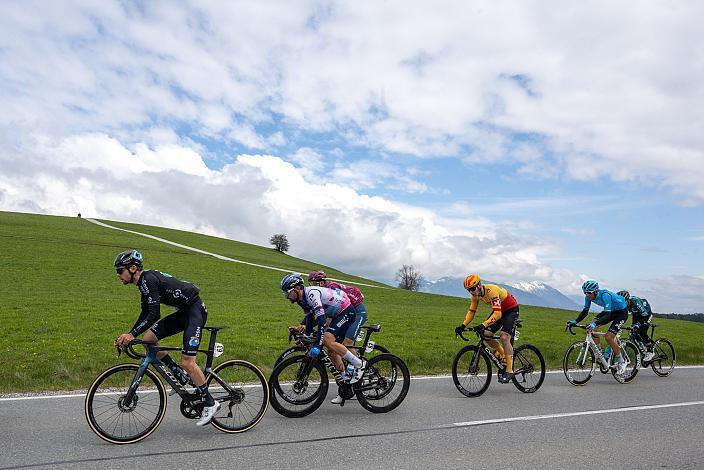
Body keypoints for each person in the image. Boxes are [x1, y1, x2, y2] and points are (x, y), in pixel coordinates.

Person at [113, 249, 220, 426]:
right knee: (148, 341)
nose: (118, 275)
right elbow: (146, 312)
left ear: (132, 268)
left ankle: (210, 402)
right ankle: (180, 376)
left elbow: (154, 314)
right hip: (184, 312)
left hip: (195, 311)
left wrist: (132, 335)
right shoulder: (144, 284)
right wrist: (130, 334)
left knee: (188, 362)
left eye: (119, 271)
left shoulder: (147, 280)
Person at [281, 273, 365, 384]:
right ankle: (345, 381)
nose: (286, 296)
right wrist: (305, 337)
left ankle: (359, 364)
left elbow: (320, 319)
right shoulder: (301, 300)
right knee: (331, 349)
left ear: (297, 288)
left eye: (287, 292)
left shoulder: (311, 294)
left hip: (346, 311)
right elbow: (310, 320)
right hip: (335, 315)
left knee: (327, 339)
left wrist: (318, 344)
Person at [308, 270, 367, 404]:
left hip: (356, 312)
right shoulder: (321, 293)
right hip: (343, 314)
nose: (312, 286)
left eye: (314, 283)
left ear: (321, 282)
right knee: (331, 348)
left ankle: (359, 367)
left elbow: (343, 307)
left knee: (347, 342)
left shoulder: (331, 288)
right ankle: (345, 383)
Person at [454, 274, 519, 383]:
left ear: (479, 285)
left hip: (511, 310)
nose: (472, 292)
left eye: (473, 289)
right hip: (499, 311)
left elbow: (497, 315)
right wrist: (463, 325)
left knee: (504, 337)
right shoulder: (475, 296)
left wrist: (483, 324)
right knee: (486, 334)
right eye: (469, 290)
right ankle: (503, 356)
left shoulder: (491, 291)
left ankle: (510, 370)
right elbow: (472, 312)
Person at [567, 279, 629, 375]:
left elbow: (607, 315)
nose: (587, 295)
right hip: (611, 311)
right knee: (591, 328)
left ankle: (621, 360)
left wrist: (594, 324)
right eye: (585, 293)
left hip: (621, 312)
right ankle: (599, 353)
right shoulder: (588, 297)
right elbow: (585, 311)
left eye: (589, 293)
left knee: (608, 337)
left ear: (595, 291)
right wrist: (575, 321)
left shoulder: (605, 295)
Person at [617, 290, 655, 362]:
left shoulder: (635, 301)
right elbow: (621, 316)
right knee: (633, 333)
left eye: (623, 302)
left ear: (627, 300)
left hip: (646, 314)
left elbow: (644, 314)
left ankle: (650, 350)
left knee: (642, 331)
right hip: (636, 315)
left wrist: (638, 325)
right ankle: (643, 348)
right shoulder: (624, 304)